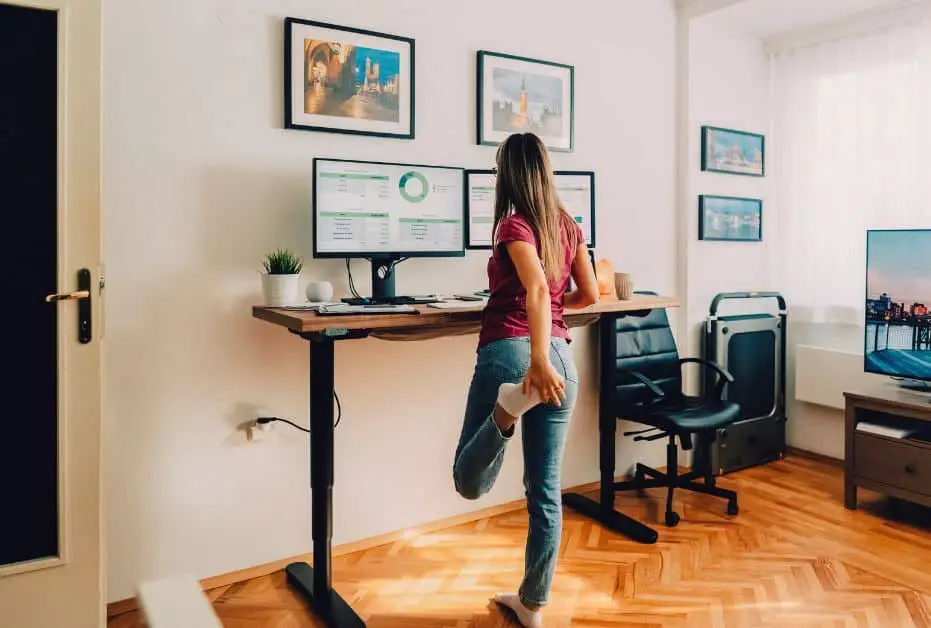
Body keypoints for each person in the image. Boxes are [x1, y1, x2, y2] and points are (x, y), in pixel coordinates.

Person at [452, 132, 599, 628]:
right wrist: (553, 325)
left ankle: (505, 410)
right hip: (564, 358)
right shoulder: (569, 226)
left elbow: (535, 285)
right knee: (545, 489)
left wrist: (536, 360)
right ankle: (532, 606)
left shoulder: (513, 224)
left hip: (517, 351)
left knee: (468, 482)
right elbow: (589, 296)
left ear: (507, 174)